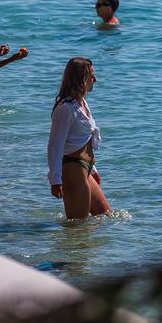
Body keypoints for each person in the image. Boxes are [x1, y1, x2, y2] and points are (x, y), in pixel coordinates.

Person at [47, 57, 111, 220]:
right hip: (73, 169)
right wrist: (55, 179)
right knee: (78, 227)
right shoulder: (65, 108)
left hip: (86, 169)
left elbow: (85, 140)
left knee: (106, 216)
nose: (95, 80)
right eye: (91, 76)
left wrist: (93, 170)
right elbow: (55, 146)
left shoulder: (81, 103)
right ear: (81, 79)